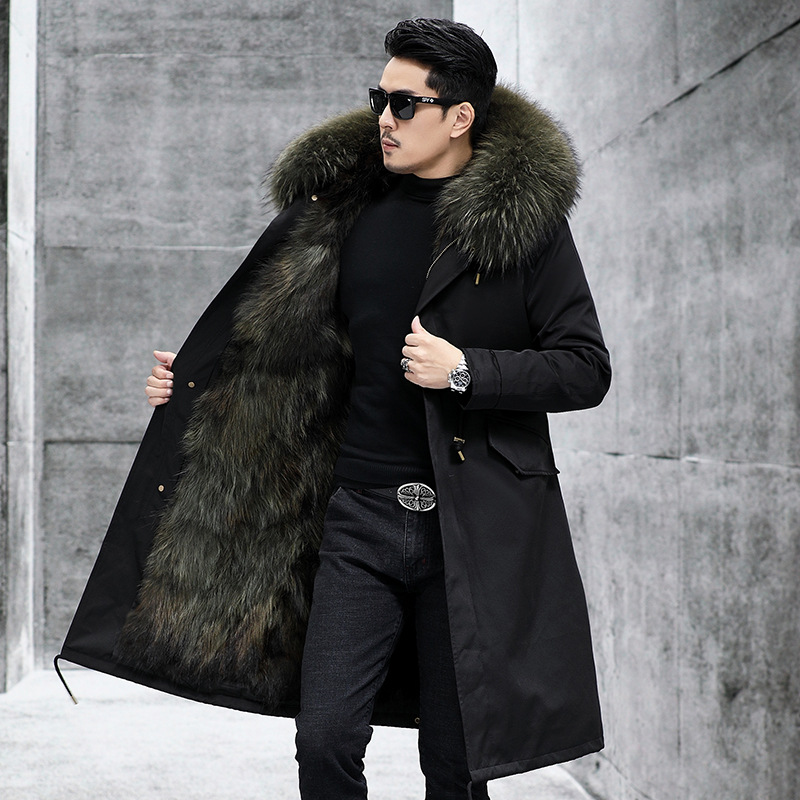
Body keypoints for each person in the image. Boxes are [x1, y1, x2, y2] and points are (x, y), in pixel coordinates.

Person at [57, 17, 611, 800]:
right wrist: (195, 388)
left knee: (455, 766)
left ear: (461, 116)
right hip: (358, 518)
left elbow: (585, 368)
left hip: (473, 528)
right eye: (379, 98)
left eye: (406, 104)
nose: (385, 117)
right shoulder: (341, 210)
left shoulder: (525, 229)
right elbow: (283, 348)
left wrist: (466, 371)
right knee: (323, 742)